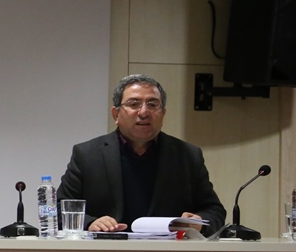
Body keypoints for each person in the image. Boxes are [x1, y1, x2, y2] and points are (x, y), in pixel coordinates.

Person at [58, 74, 225, 235]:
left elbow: (214, 211)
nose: (144, 112)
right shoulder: (87, 155)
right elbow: (57, 209)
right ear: (116, 114)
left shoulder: (187, 155)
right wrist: (90, 223)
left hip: (168, 251)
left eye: (152, 104)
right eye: (134, 104)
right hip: (108, 249)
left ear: (163, 114)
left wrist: (199, 223)